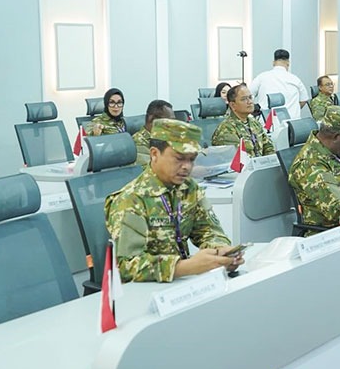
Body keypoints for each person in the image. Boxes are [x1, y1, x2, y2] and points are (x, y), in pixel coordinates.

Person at [104, 119, 243, 283]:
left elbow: (209, 230)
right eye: (179, 158)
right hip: (145, 289)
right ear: (154, 154)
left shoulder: (188, 188)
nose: (187, 167)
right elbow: (126, 267)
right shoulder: (131, 199)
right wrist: (186, 267)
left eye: (191, 159)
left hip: (181, 284)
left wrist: (220, 252)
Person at [288, 106, 340, 233]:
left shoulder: (334, 150)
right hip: (329, 234)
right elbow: (337, 211)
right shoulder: (311, 164)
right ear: (336, 137)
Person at [211, 84, 275, 157]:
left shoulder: (254, 122)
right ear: (233, 105)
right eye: (244, 99)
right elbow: (236, 159)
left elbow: (268, 147)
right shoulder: (226, 129)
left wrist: (269, 160)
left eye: (250, 97)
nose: (250, 102)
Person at [250, 49, 309, 120]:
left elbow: (249, 95)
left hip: (267, 122)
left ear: (273, 63)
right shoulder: (295, 79)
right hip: (292, 123)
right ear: (288, 63)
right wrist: (293, 110)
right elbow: (304, 99)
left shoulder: (261, 77)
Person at [132, 100, 175, 166]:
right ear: (152, 120)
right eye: (168, 122)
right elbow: (148, 168)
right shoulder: (138, 142)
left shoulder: (165, 138)